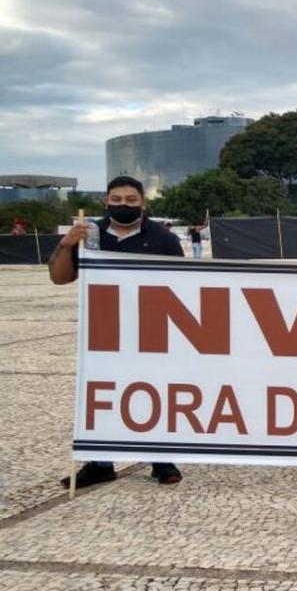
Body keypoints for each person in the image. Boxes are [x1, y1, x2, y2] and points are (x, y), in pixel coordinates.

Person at [48, 175, 186, 488]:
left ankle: (161, 459)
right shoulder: (89, 233)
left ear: (143, 203)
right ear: (106, 201)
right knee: (102, 395)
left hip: (152, 329)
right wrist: (67, 243)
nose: (123, 206)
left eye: (131, 201)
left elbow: (182, 283)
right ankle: (100, 463)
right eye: (117, 200)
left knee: (155, 392)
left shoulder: (163, 238)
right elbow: (59, 277)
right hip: (103, 329)